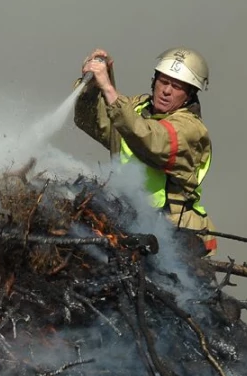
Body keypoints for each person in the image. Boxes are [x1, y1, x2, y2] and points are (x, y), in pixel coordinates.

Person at [73, 47, 218, 256]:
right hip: (132, 223)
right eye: (163, 81)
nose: (166, 91)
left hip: (179, 235)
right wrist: (92, 87)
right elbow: (92, 120)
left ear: (190, 95)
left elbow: (150, 140)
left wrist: (108, 87)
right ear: (154, 81)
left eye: (177, 86)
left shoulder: (191, 129)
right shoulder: (137, 108)